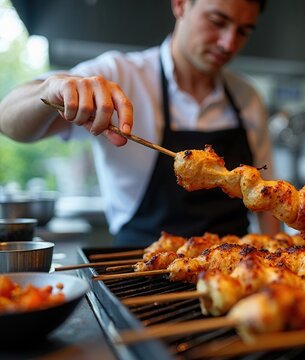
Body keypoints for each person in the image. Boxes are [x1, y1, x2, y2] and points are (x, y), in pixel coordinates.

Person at [0, 0, 280, 246]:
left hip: (238, 271)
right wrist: (51, 89)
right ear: (181, 4)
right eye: (217, 21)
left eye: (243, 31)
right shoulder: (119, 74)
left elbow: (266, 196)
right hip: (140, 269)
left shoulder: (248, 97)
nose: (228, 43)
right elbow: (7, 120)